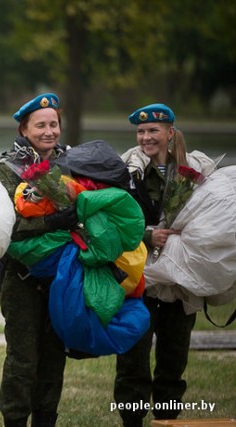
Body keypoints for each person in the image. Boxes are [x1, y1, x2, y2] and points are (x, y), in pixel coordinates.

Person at [114, 103, 216, 426]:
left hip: (179, 280)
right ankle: (132, 421)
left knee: (173, 360)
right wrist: (148, 235)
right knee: (133, 359)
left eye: (153, 131)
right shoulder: (127, 170)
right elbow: (113, 221)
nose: (146, 137)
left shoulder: (194, 170)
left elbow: (211, 217)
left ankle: (167, 420)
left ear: (170, 133)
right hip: (139, 279)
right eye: (141, 131)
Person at [0, 93, 76, 427]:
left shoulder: (72, 163)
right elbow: (3, 226)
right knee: (22, 359)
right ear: (24, 129)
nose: (49, 131)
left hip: (63, 278)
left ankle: (46, 419)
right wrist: (50, 222)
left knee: (54, 358)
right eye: (40, 125)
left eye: (53, 124)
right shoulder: (7, 168)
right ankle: (14, 419)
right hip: (21, 279)